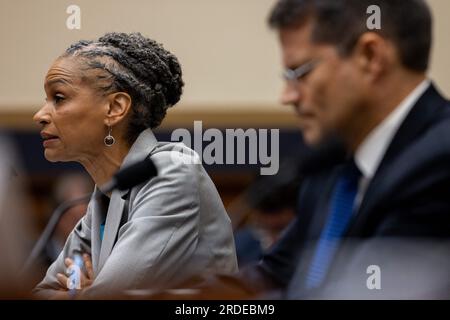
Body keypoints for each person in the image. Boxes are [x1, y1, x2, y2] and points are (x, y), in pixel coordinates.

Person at [194, 0, 450, 299]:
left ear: (371, 56)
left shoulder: (440, 159)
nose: (287, 97)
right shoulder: (334, 165)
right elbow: (272, 275)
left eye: (300, 74)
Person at [32, 32, 237, 299]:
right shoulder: (104, 197)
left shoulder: (173, 171)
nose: (40, 115)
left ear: (115, 108)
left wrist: (77, 293)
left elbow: (111, 297)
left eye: (59, 98)